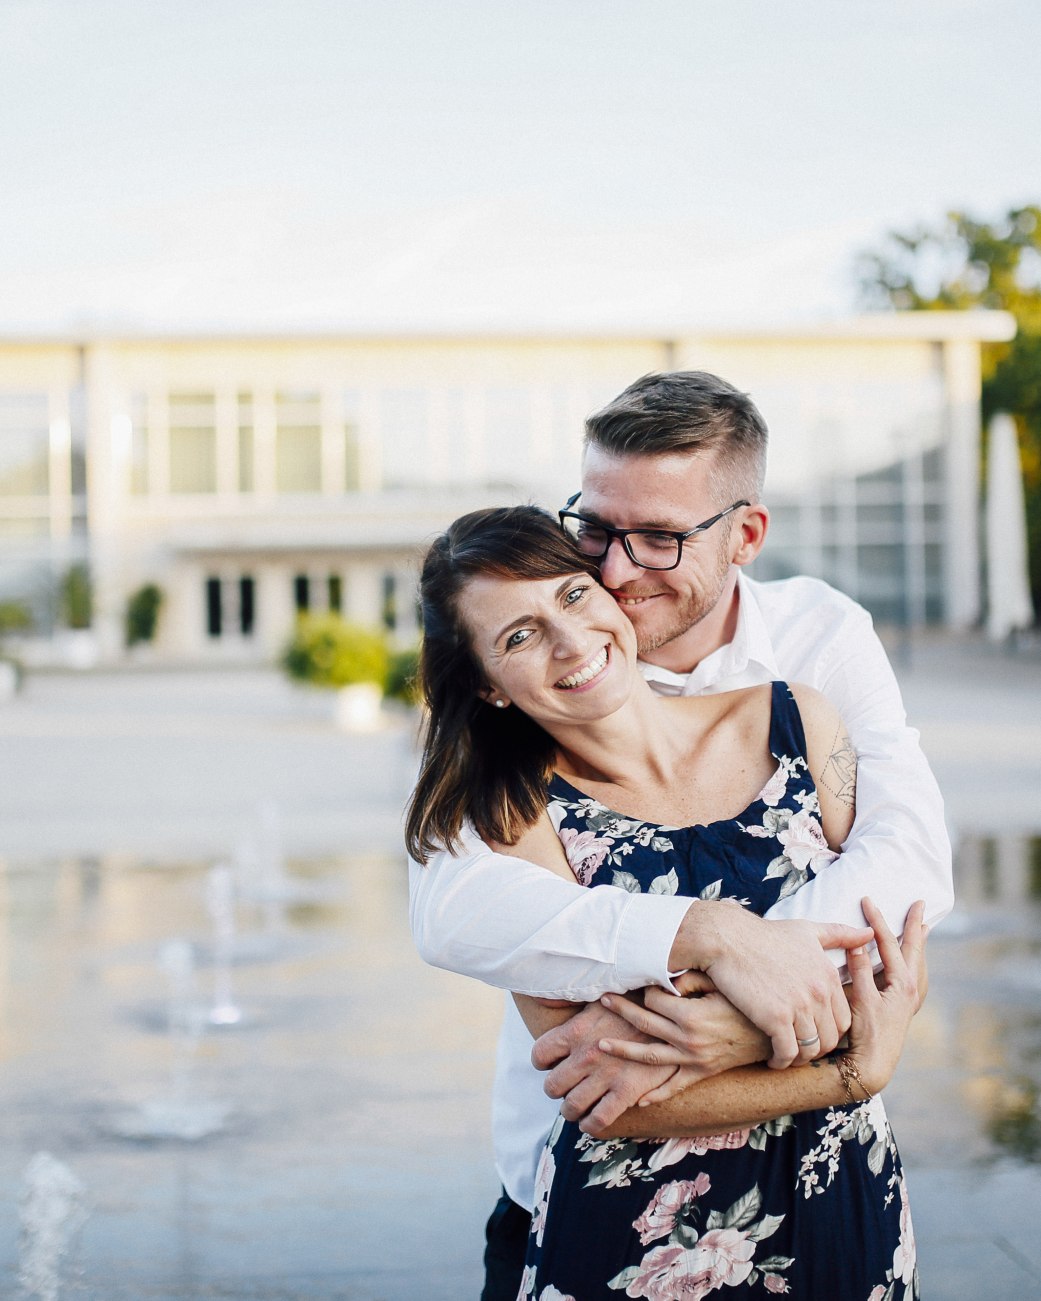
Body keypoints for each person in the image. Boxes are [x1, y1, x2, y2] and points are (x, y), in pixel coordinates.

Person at [407, 372, 952, 1298]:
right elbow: (459, 909)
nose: (615, 574)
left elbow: (908, 859)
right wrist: (713, 935)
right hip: (589, 1181)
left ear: (744, 535)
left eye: (659, 537)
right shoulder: (506, 736)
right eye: (595, 529)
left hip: (820, 1190)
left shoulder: (814, 647)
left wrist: (740, 1016)